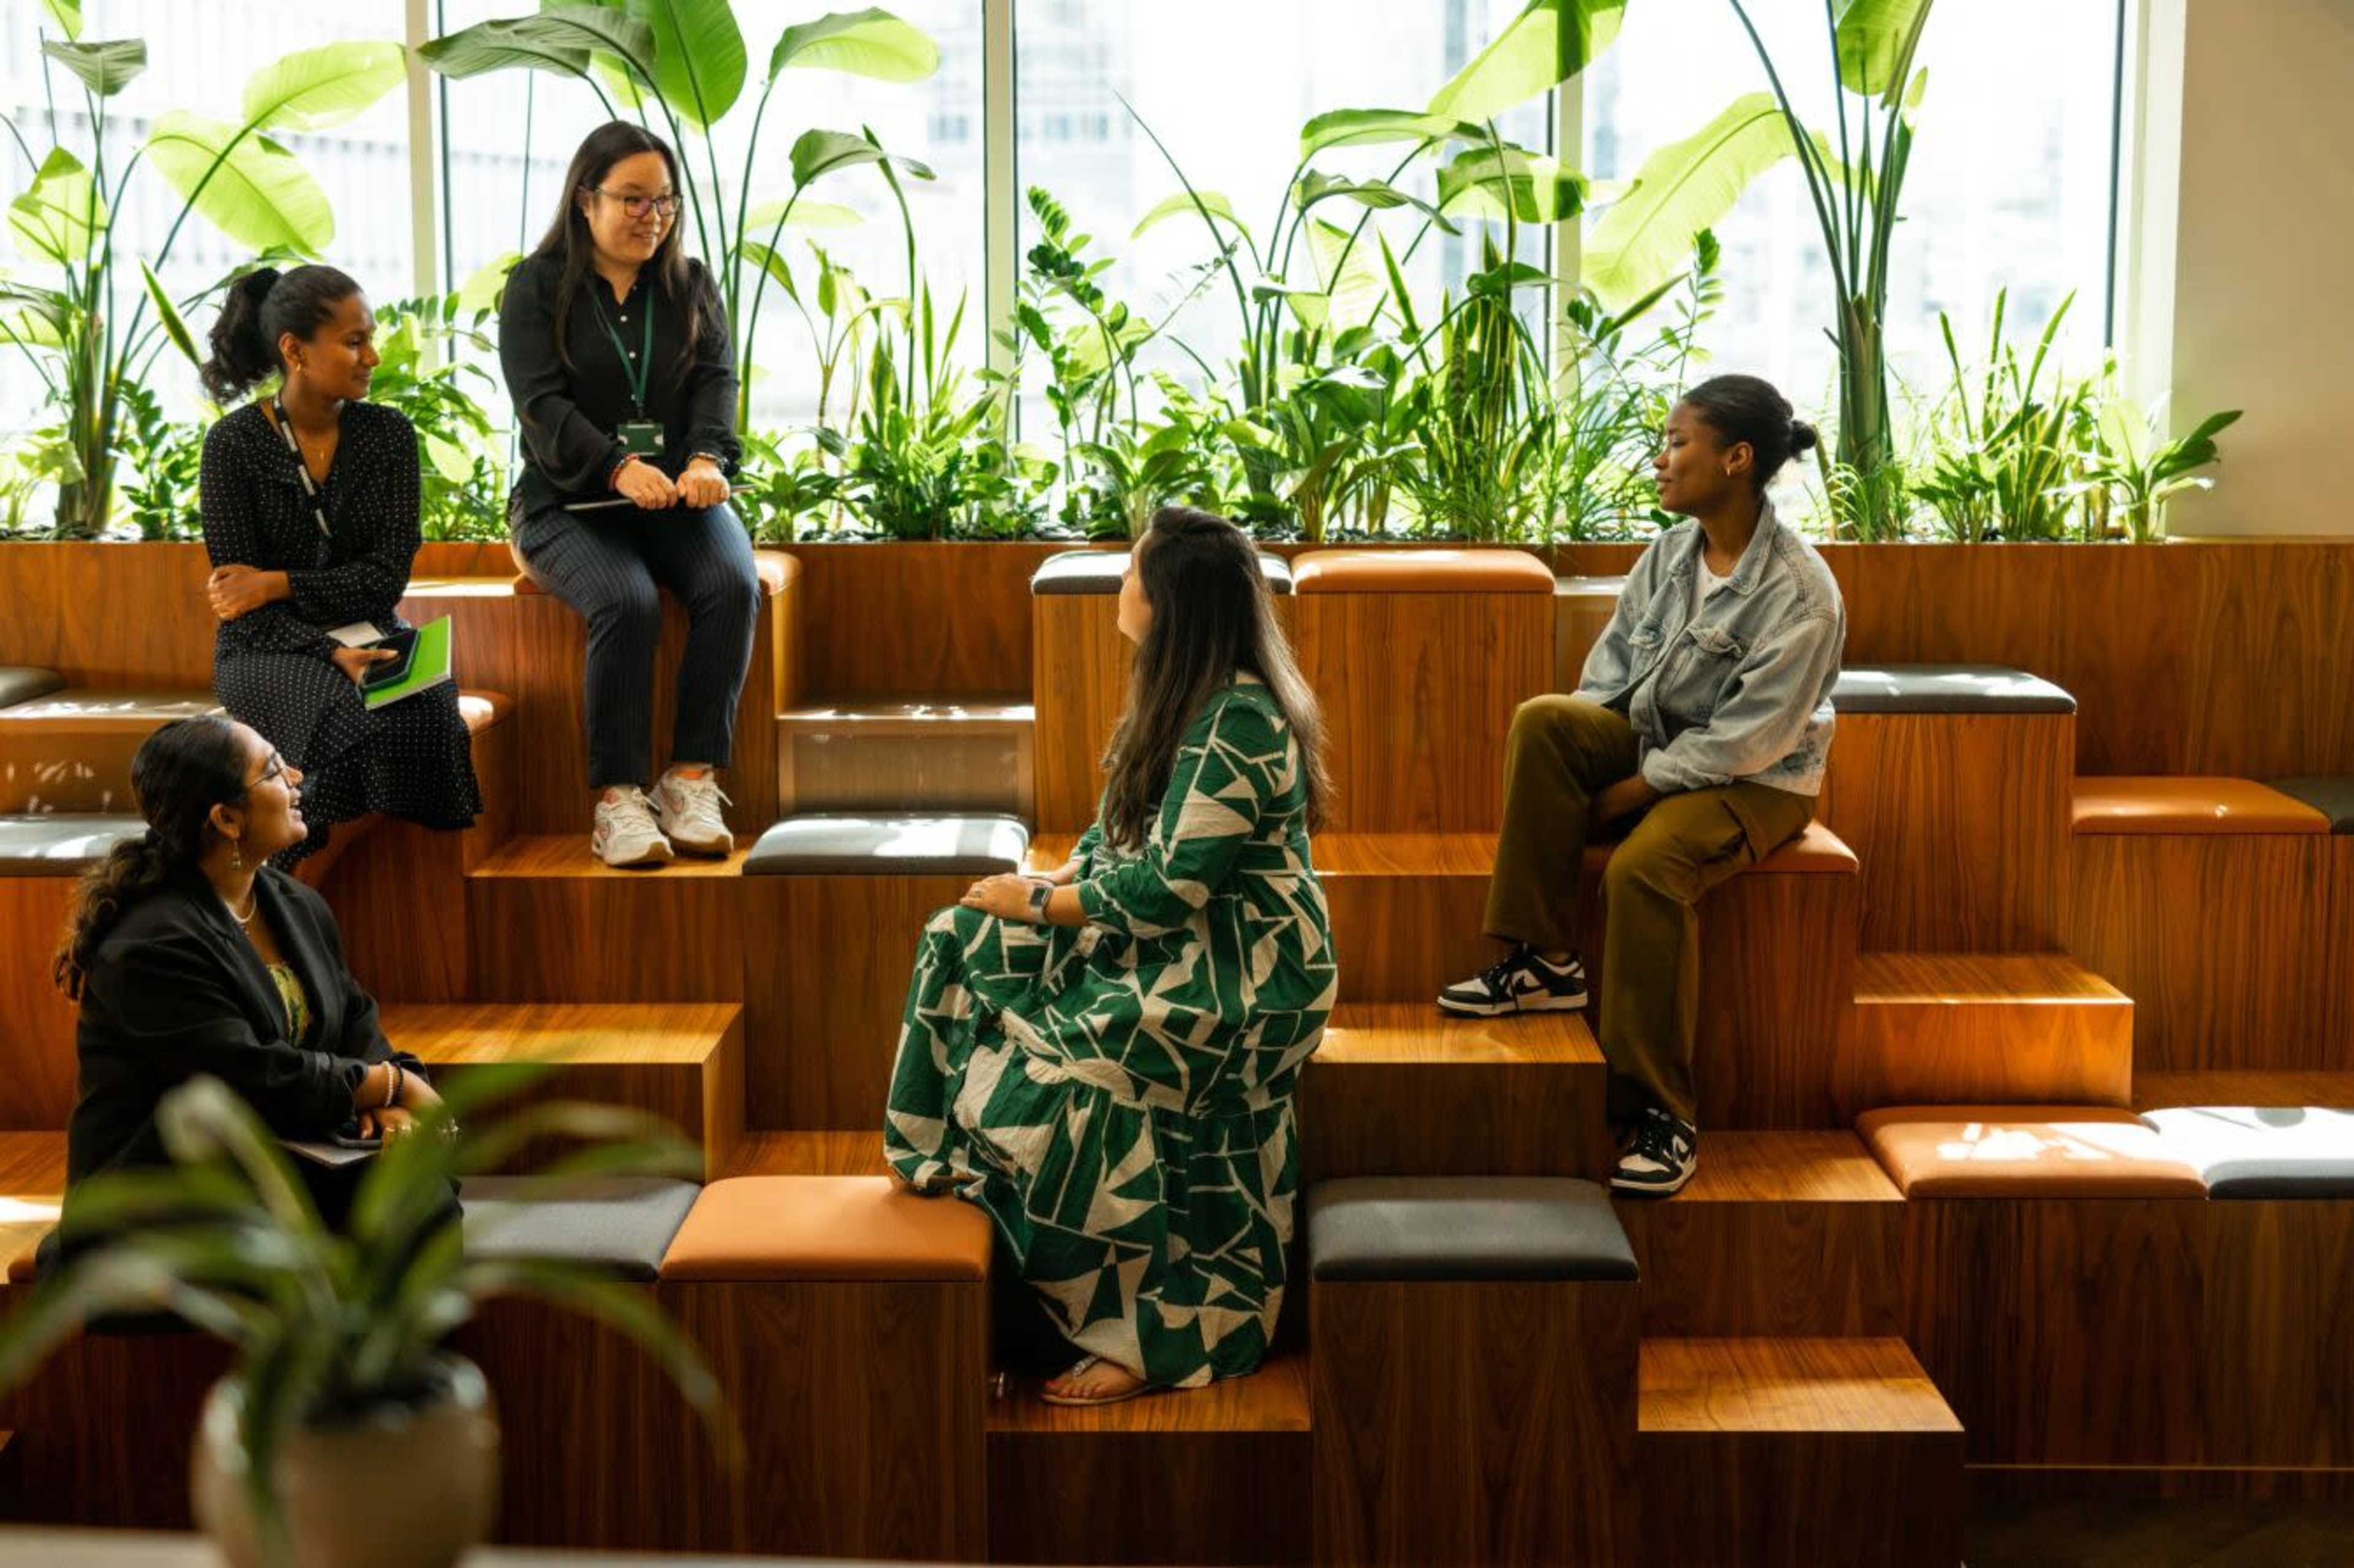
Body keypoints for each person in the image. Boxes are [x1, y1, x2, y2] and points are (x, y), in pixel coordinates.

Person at [884, 507, 1336, 1407]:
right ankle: (955, 1184)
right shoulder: (1178, 694)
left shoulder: (1241, 719)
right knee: (960, 936)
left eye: (1133, 570)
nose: (1120, 584)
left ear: (1172, 600)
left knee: (1083, 1066)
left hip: (1244, 971)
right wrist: (1047, 884)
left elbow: (1172, 887)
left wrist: (1043, 901)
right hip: (1171, 939)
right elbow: (1114, 840)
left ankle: (1150, 1331)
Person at [1439, 374, 1846, 1198]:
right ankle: (1545, 960)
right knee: (1547, 719)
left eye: (1675, 443)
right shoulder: (1669, 553)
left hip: (1762, 779)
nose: (1659, 461)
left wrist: (1629, 793)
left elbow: (1748, 739)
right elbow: (1611, 675)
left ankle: (1661, 1114)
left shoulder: (1801, 593)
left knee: (1644, 867)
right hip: (1665, 744)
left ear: (1736, 459)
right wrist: (1593, 752)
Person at [51, 716, 446, 1235]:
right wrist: (386, 1083)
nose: (297, 778)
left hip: (276, 1147)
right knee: (395, 1210)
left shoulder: (293, 902)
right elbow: (245, 1076)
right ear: (227, 820)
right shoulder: (152, 943)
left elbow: (353, 1015)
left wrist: (391, 1098)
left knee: (417, 1191)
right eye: (275, 770)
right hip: (167, 1194)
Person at [498, 121, 758, 869]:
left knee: (732, 583)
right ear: (586, 200)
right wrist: (615, 466)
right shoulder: (535, 286)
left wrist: (707, 456)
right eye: (633, 200)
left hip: (675, 501)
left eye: (666, 201)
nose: (653, 217)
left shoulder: (690, 284)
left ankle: (691, 778)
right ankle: (617, 799)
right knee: (629, 601)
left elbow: (717, 382)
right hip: (567, 505)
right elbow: (540, 404)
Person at [197, 264, 482, 870]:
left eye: (370, 337)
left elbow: (384, 579)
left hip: (369, 629)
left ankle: (289, 879)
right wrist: (326, 649)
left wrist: (278, 582)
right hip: (266, 647)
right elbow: (239, 607)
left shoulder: (390, 436)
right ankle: (279, 884)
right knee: (345, 716)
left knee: (431, 712)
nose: (372, 356)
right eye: (354, 341)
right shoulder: (233, 446)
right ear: (294, 351)